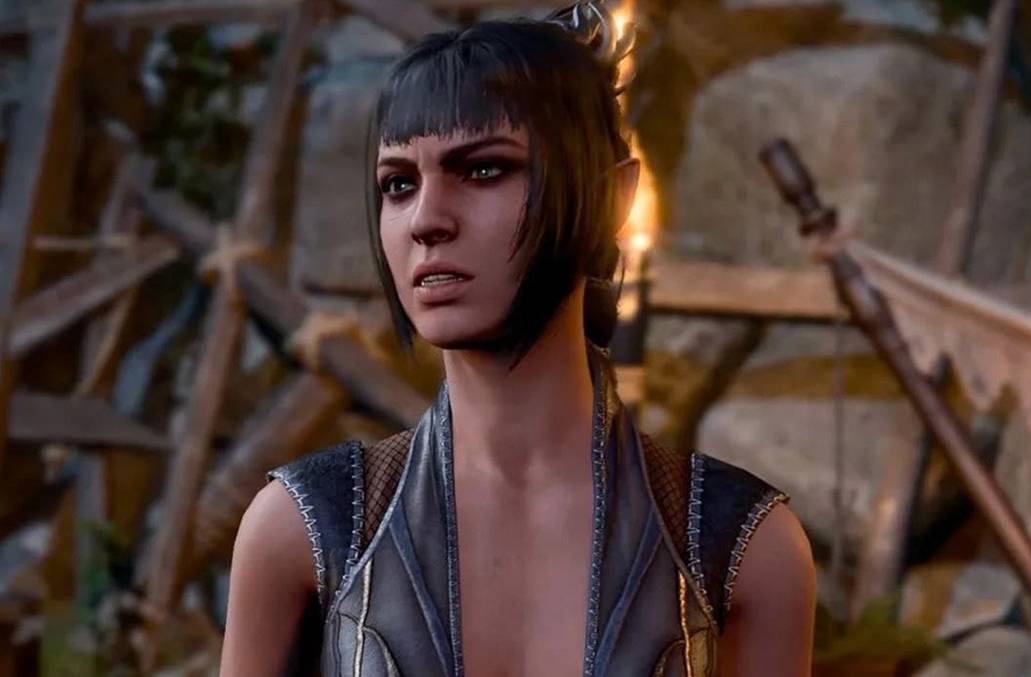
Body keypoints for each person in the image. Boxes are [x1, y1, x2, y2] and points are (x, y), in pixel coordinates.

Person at [222, 4, 815, 675]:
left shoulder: (741, 545)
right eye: (399, 183)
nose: (426, 220)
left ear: (611, 197)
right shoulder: (303, 529)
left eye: (484, 170)